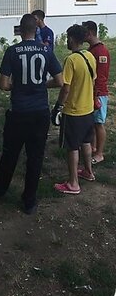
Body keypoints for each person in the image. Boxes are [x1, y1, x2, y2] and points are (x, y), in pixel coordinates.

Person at [0, 14, 63, 214]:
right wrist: (41, 84)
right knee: (35, 157)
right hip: (40, 113)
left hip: (19, 112)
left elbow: (3, 85)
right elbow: (60, 81)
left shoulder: (12, 51)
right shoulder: (46, 49)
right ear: (36, 29)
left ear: (20, 30)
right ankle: (29, 201)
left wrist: (17, 85)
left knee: (10, 153)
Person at [52, 24, 96, 194]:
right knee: (86, 142)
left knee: (72, 147)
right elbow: (92, 80)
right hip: (88, 109)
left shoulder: (71, 60)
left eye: (67, 37)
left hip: (74, 111)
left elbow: (66, 87)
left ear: (71, 38)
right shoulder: (89, 56)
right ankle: (88, 172)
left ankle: (73, 183)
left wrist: (58, 107)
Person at [82, 20, 110, 165]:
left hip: (99, 92)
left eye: (84, 32)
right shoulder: (92, 50)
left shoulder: (100, 51)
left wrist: (96, 93)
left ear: (90, 32)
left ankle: (100, 153)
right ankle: (92, 147)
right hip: (91, 91)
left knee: (99, 123)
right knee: (92, 123)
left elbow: (101, 75)